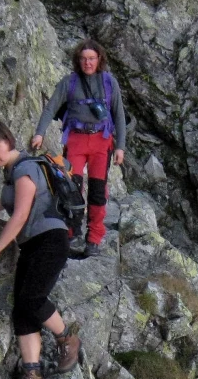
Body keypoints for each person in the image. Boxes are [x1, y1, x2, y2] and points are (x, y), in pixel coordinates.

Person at [0, 119, 80, 379]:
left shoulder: (26, 168)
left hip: (50, 241)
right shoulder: (14, 171)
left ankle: (67, 338)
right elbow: (12, 202)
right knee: (21, 309)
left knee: (32, 299)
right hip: (33, 245)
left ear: (8, 140)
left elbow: (20, 214)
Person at [31, 39, 127, 256]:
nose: (88, 63)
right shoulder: (69, 83)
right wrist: (39, 132)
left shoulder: (109, 83)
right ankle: (71, 231)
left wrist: (120, 146)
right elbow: (50, 108)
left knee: (97, 190)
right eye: (83, 59)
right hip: (75, 139)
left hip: (102, 141)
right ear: (78, 60)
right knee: (70, 188)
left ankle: (94, 237)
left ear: (99, 59)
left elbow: (119, 115)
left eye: (92, 58)